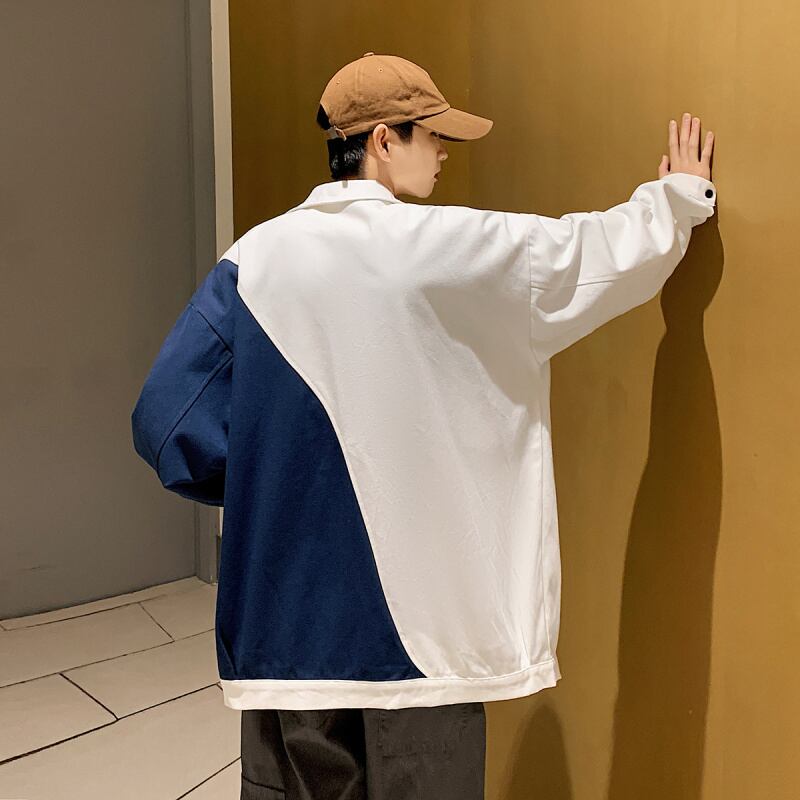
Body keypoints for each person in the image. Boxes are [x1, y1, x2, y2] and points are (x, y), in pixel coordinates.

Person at [131, 52, 715, 800]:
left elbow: (164, 416)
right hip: (421, 641)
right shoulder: (444, 248)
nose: (443, 153)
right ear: (383, 139)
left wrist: (266, 483)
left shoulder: (253, 260)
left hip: (284, 633)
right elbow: (585, 258)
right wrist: (677, 200)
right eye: (432, 135)